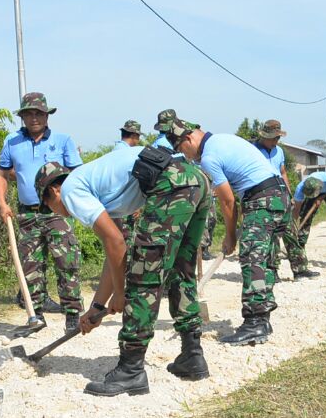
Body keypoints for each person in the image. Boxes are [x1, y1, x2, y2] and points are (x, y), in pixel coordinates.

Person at [35, 136, 210, 396]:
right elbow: (114, 251)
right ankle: (192, 355)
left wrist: (120, 293)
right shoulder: (96, 184)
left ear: (54, 191)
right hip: (195, 179)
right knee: (180, 270)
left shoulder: (71, 191)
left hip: (170, 184)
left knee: (144, 276)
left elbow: (116, 244)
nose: (55, 213)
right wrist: (97, 307)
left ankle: (131, 370)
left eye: (49, 207)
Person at [160, 109, 287, 344]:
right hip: (278, 195)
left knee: (252, 259)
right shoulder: (222, 139)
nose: (185, 156)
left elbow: (228, 201)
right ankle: (263, 318)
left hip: (262, 198)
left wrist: (230, 236)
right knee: (265, 259)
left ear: (188, 139)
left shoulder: (209, 157)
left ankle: (255, 323)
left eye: (181, 149)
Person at [0, 92, 84, 332]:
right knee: (31, 265)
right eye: (29, 114)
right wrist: (2, 203)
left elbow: (77, 175)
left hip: (57, 212)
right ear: (22, 117)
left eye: (39, 113)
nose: (34, 118)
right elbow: (1, 174)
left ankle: (72, 313)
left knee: (66, 261)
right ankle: (35, 314)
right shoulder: (12, 142)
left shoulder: (63, 141)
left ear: (47, 116)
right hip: (26, 214)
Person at [252, 119, 315, 280]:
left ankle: (300, 269)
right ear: (264, 136)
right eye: (273, 138)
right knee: (271, 236)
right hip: (263, 196)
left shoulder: (279, 151)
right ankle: (272, 270)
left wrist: (289, 194)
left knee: (290, 232)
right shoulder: (252, 150)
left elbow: (283, 172)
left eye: (278, 138)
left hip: (281, 195)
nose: (276, 141)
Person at [289, 170, 326, 259]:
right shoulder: (300, 188)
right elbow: (297, 209)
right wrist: (293, 226)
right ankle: (300, 246)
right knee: (305, 215)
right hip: (313, 191)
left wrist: (321, 197)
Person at [110, 120, 142, 251]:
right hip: (124, 203)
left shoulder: (115, 150)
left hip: (112, 202)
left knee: (115, 240)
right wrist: (135, 205)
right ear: (134, 135)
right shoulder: (129, 154)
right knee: (126, 240)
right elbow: (129, 181)